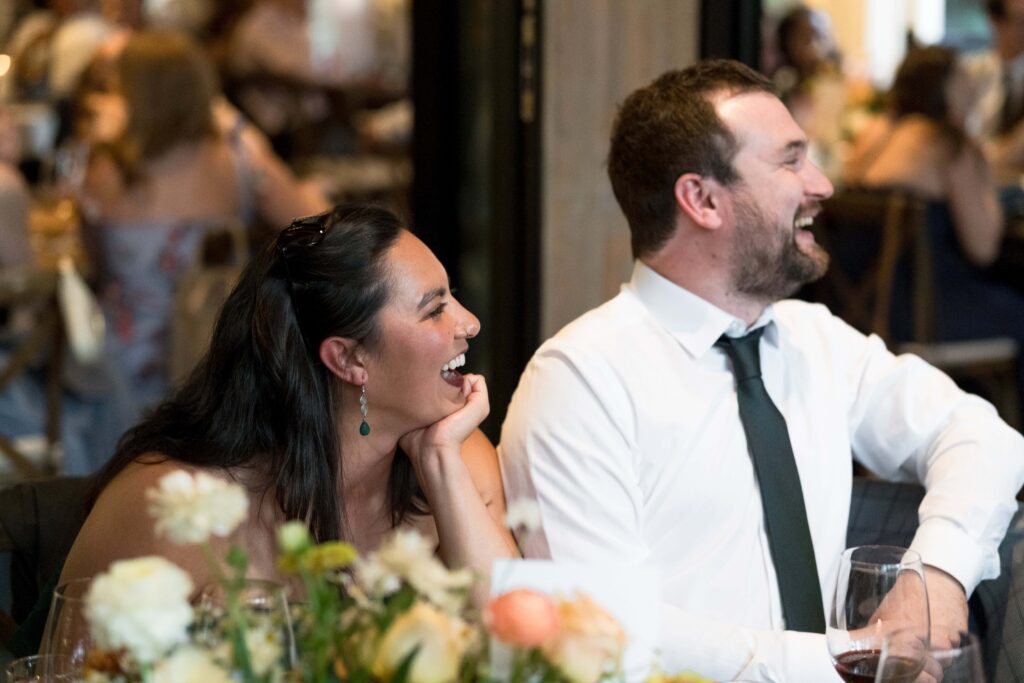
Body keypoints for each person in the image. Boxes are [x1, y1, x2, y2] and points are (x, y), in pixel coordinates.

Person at [499, 60, 1024, 682]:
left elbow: (982, 435)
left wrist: (932, 580)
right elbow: (605, 633)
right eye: (791, 161)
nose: (824, 183)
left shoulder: (810, 338)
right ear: (701, 199)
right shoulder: (581, 382)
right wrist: (843, 659)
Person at [60, 204, 518, 596]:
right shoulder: (176, 509)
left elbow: (521, 654)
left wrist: (441, 462)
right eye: (435, 308)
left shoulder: (457, 460)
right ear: (349, 358)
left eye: (452, 296)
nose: (471, 322)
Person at [76, 29, 328, 422]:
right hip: (219, 354)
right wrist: (240, 128)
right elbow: (318, 223)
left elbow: (94, 267)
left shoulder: (108, 168)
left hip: (128, 364)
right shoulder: (239, 160)